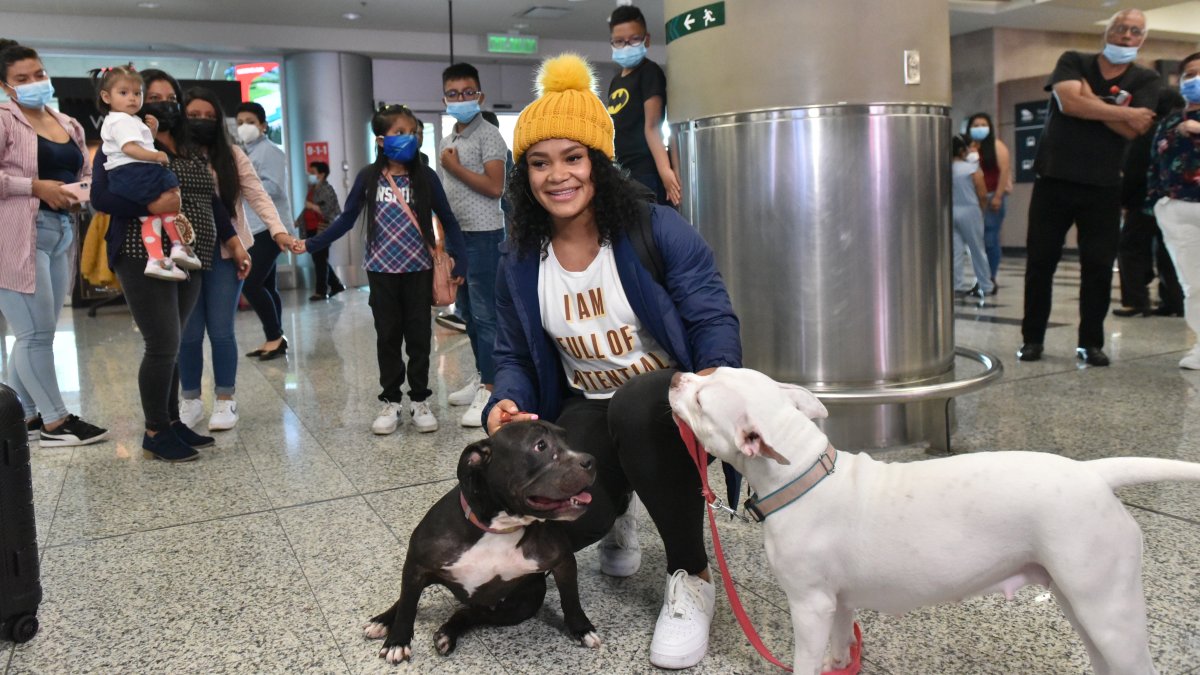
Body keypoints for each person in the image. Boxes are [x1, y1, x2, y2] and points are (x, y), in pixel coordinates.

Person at [484, 53, 741, 670]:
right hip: (582, 405)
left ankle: (691, 575)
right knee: (571, 524)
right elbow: (513, 352)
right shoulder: (520, 255)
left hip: (666, 397)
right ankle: (619, 501)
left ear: (598, 163)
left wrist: (717, 375)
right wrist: (506, 400)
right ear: (525, 177)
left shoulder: (656, 228)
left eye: (573, 158)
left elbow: (710, 311)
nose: (558, 176)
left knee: (634, 406)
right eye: (540, 163)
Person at [90, 68, 251, 462]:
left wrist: (232, 239)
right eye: (152, 96)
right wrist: (149, 206)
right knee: (161, 343)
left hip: (191, 252)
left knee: (175, 343)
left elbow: (212, 199)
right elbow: (101, 197)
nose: (163, 103)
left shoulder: (189, 145)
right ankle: (155, 430)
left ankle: (173, 421)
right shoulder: (119, 140)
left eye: (168, 96)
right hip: (142, 250)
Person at [293, 104, 467, 435]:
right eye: (399, 132)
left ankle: (419, 399)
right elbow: (346, 219)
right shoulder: (368, 177)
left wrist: (462, 257)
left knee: (418, 337)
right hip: (381, 271)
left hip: (419, 270)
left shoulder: (426, 177)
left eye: (412, 132)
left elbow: (448, 218)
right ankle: (390, 401)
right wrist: (312, 244)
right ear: (380, 139)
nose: (408, 138)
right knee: (387, 336)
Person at [1018, 9, 1161, 367]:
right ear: (1107, 31)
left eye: (1135, 31)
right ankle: (1032, 339)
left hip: (1103, 186)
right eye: (1120, 28)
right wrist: (1121, 111)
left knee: (1097, 267)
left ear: (1142, 39)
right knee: (1040, 263)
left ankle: (1090, 344)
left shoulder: (1146, 79)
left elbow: (1135, 129)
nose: (1127, 36)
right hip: (1054, 180)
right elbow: (1068, 103)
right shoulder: (1074, 60)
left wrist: (1091, 102)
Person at [0, 39, 109, 447]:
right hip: (14, 235)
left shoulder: (69, 123)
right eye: (21, 79)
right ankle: (56, 423)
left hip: (61, 230)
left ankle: (25, 417)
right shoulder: (5, 120)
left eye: (39, 74)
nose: (34, 83)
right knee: (35, 335)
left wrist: (84, 191)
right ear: (6, 86)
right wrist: (34, 186)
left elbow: (82, 171)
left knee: (34, 331)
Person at [177, 88, 295, 432]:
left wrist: (278, 231)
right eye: (193, 116)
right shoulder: (171, 154)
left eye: (208, 117)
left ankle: (226, 400)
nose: (201, 122)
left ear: (218, 121)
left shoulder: (231, 155)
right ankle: (191, 400)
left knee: (221, 330)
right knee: (188, 332)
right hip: (183, 251)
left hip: (228, 251)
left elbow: (258, 194)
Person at [438, 62, 509, 428]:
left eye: (468, 93)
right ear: (445, 98)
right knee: (465, 312)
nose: (461, 99)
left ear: (479, 96)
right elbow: (443, 194)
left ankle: (493, 387)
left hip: (483, 236)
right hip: (455, 238)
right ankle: (482, 374)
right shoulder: (447, 141)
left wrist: (455, 169)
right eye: (454, 94)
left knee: (486, 315)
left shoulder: (489, 137)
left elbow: (495, 187)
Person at [92, 64, 199, 281]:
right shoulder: (120, 120)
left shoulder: (130, 122)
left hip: (134, 174)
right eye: (124, 93)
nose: (132, 99)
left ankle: (159, 257)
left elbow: (138, 143)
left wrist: (150, 133)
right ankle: (177, 246)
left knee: (151, 218)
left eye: (137, 93)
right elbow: (130, 149)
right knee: (168, 186)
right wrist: (157, 156)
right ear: (106, 96)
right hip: (133, 181)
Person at [1147, 52, 1200, 368]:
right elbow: (1154, 163)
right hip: (1177, 207)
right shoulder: (1168, 121)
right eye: (1189, 74)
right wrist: (1157, 202)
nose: (1194, 79)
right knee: (1193, 282)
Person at [1114, 87, 1185, 317]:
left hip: (1145, 202)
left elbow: (1134, 169)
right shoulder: (1181, 130)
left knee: (1130, 249)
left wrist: (1124, 199)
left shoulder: (1148, 132)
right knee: (1168, 252)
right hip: (1177, 201)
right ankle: (1175, 301)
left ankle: (1136, 301)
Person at [234, 101, 293, 359]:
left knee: (251, 282)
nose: (244, 127)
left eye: (250, 122)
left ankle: (274, 336)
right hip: (253, 227)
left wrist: (242, 185)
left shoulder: (269, 151)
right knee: (267, 285)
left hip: (270, 228)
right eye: (240, 123)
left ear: (263, 126)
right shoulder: (246, 151)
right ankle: (275, 337)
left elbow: (275, 187)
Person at [606, 5, 681, 207]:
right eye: (620, 41)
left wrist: (666, 172)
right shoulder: (615, 81)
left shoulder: (649, 72)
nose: (627, 45)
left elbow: (653, 126)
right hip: (622, 172)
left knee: (648, 233)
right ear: (612, 43)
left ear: (646, 39)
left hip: (646, 170)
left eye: (634, 39)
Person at [966, 113, 1011, 292]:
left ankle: (990, 277)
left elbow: (1005, 170)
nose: (979, 128)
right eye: (975, 125)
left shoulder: (997, 146)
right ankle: (980, 278)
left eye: (983, 124)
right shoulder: (968, 148)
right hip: (973, 200)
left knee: (990, 239)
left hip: (992, 197)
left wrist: (998, 196)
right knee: (977, 242)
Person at [951, 135, 994, 298]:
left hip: (952, 211)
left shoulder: (944, 169)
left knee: (956, 250)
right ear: (962, 150)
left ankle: (957, 285)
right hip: (970, 210)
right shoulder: (971, 168)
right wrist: (982, 210)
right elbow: (982, 193)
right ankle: (986, 285)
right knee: (977, 249)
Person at [298, 160, 345, 300]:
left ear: (322, 174)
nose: (310, 175)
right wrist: (298, 220)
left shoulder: (327, 189)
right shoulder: (311, 188)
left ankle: (321, 291)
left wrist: (312, 207)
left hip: (323, 228)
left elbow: (330, 210)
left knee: (320, 259)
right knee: (319, 258)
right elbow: (307, 208)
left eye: (313, 173)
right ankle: (336, 284)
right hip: (310, 229)